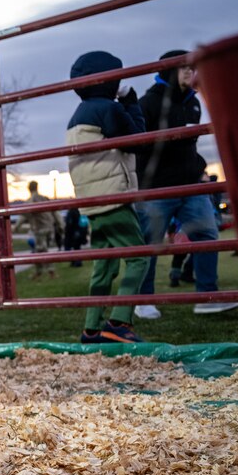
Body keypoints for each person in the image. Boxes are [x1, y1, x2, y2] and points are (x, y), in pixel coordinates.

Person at [134, 50, 238, 316]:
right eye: (184, 69)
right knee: (150, 243)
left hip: (191, 184)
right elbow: (139, 147)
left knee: (207, 236)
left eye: (192, 68)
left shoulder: (193, 102)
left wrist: (199, 169)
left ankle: (207, 296)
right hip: (158, 186)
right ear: (169, 71)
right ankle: (143, 300)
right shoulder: (148, 103)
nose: (191, 73)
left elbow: (188, 145)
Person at [66, 51, 149, 344]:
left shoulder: (76, 116)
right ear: (109, 81)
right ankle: (118, 321)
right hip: (113, 196)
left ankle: (91, 327)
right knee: (138, 256)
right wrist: (130, 100)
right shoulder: (107, 109)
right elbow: (137, 138)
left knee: (104, 263)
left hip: (92, 200)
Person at [26, 180, 58, 279]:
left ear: (29, 188)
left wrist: (15, 226)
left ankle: (50, 271)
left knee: (42, 250)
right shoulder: (44, 198)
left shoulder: (31, 200)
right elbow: (54, 212)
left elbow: (24, 215)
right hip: (49, 227)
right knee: (40, 250)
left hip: (40, 228)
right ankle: (40, 271)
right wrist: (60, 225)